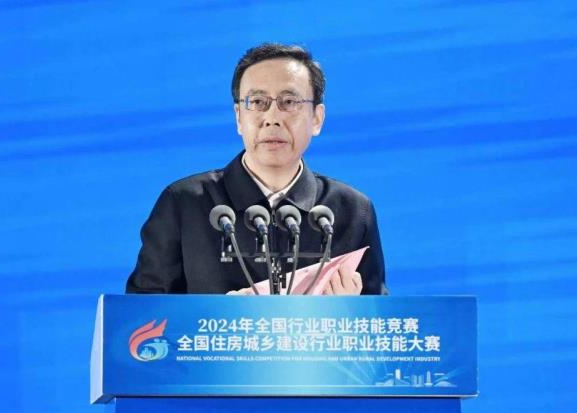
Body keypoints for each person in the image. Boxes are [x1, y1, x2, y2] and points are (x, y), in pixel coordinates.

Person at [126, 43, 388, 295]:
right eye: (258, 102)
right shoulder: (184, 203)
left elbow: (379, 317)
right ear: (239, 117)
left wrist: (347, 310)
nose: (272, 118)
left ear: (317, 118)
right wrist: (220, 316)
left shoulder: (352, 211)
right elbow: (142, 311)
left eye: (289, 102)